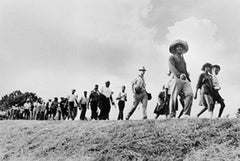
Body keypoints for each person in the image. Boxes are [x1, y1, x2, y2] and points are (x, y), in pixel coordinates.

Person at [168, 40, 193, 118]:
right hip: (176, 78)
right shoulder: (172, 57)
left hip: (184, 79)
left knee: (190, 94)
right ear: (175, 49)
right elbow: (172, 68)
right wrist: (179, 75)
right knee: (174, 96)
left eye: (181, 47)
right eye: (178, 47)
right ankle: (172, 115)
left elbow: (185, 69)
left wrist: (188, 78)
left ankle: (186, 114)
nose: (180, 48)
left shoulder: (182, 59)